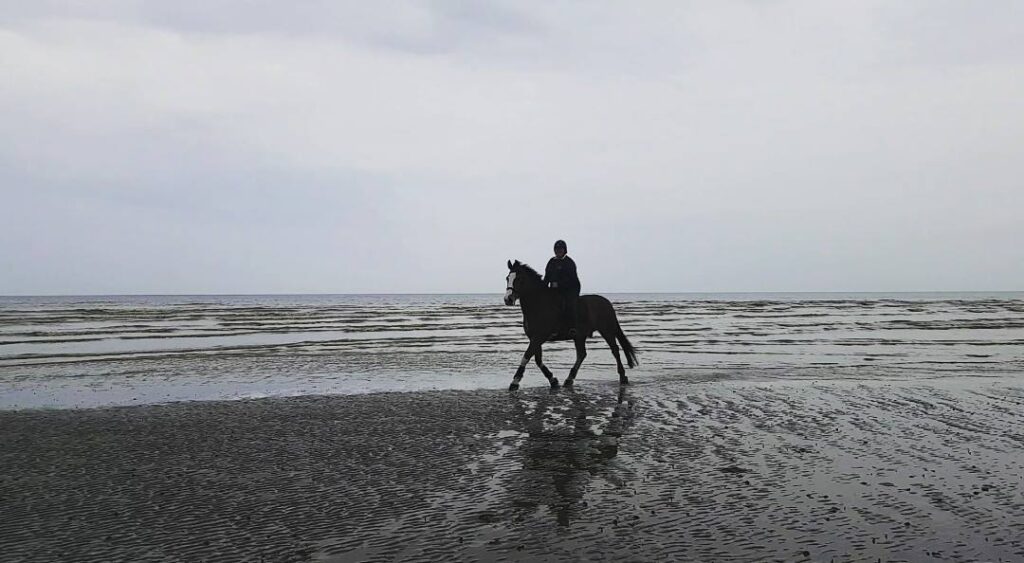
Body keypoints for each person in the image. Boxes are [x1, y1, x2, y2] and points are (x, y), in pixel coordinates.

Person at [544, 239, 581, 336]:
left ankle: (572, 328)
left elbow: (572, 279)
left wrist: (559, 284)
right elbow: (547, 277)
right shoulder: (551, 262)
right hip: (554, 290)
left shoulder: (569, 262)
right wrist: (542, 288)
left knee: (568, 304)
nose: (558, 251)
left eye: (560, 249)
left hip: (570, 289)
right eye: (556, 249)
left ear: (564, 250)